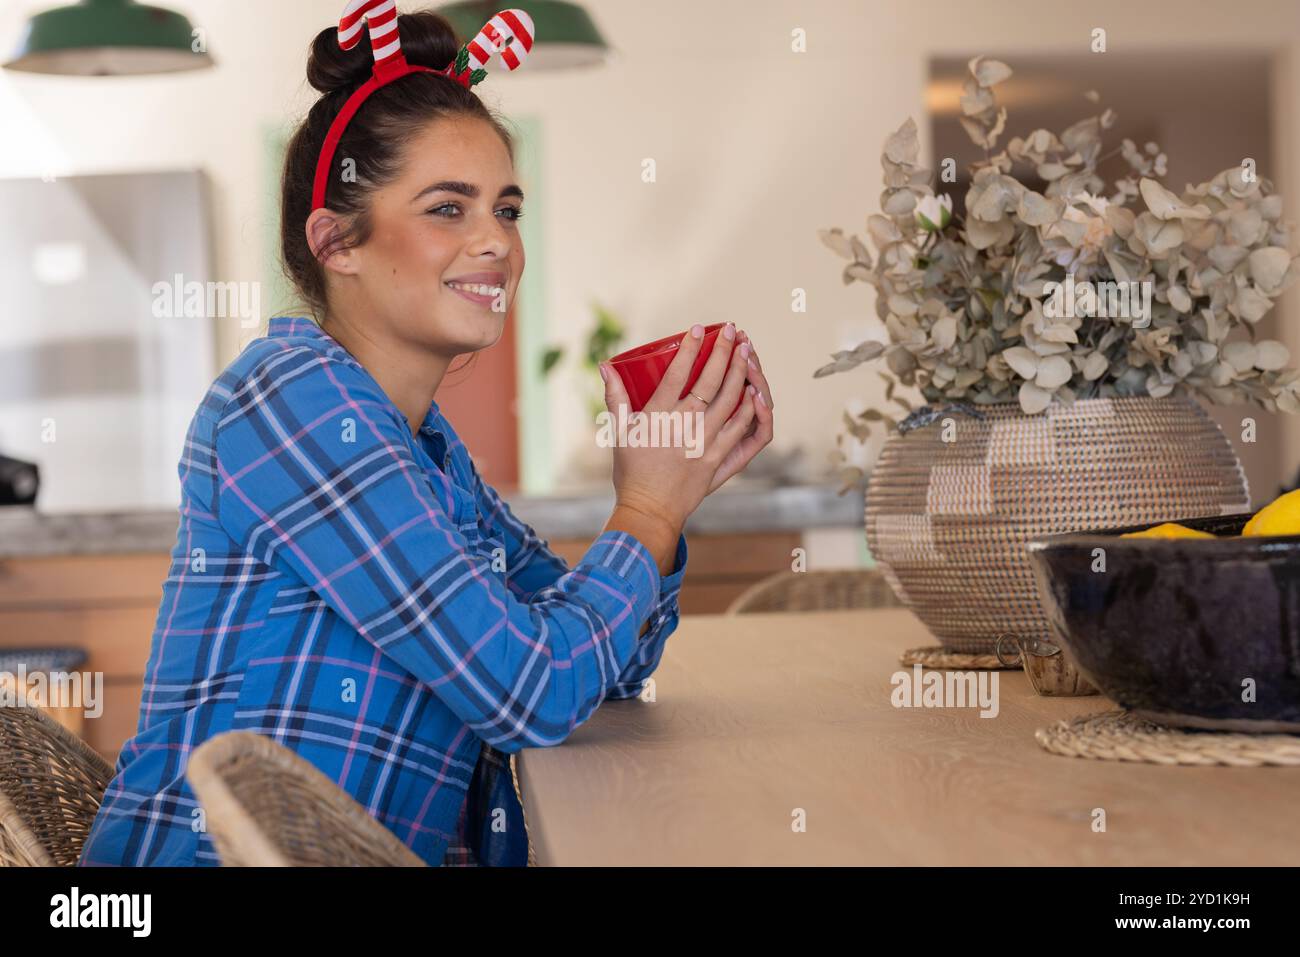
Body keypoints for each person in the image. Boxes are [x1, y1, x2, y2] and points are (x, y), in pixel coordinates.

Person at [78, 6, 774, 867]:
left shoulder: (427, 450)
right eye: (449, 207)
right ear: (337, 242)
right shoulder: (289, 401)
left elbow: (598, 672)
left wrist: (670, 501)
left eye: (506, 209)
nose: (498, 243)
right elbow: (532, 690)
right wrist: (647, 509)